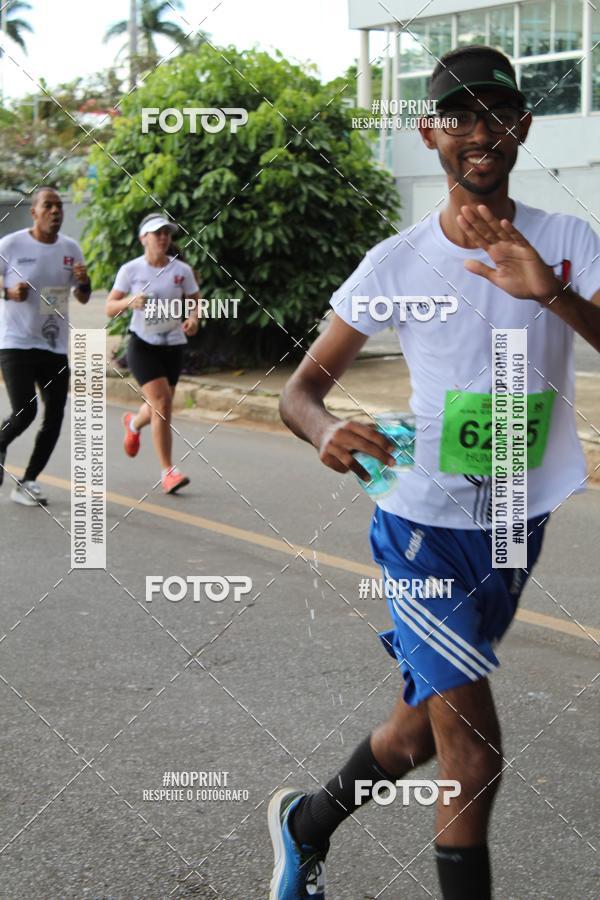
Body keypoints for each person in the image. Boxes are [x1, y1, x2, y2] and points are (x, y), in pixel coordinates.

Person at [269, 45, 600, 900]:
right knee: (474, 745)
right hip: (417, 524)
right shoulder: (395, 261)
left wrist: (552, 295)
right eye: (459, 118)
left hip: (514, 525)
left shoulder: (568, 242)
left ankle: (304, 826)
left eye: (497, 117)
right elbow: (301, 391)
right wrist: (324, 429)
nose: (480, 134)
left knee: (415, 736)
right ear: (430, 134)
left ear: (522, 129)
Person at [0, 188, 92, 506]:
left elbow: (82, 297)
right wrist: (7, 292)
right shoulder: (11, 245)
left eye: (59, 206)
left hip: (54, 345)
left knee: (54, 416)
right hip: (16, 342)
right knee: (26, 411)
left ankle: (28, 482)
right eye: (48, 206)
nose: (55, 211)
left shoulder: (71, 248)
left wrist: (84, 281)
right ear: (35, 212)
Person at [105, 214, 200, 494]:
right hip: (142, 345)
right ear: (143, 238)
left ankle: (133, 423)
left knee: (162, 403)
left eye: (166, 234)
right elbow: (110, 307)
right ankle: (168, 471)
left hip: (173, 345)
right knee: (162, 402)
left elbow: (195, 300)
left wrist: (194, 319)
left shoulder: (181, 270)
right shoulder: (131, 270)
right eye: (156, 233)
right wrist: (128, 301)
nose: (162, 238)